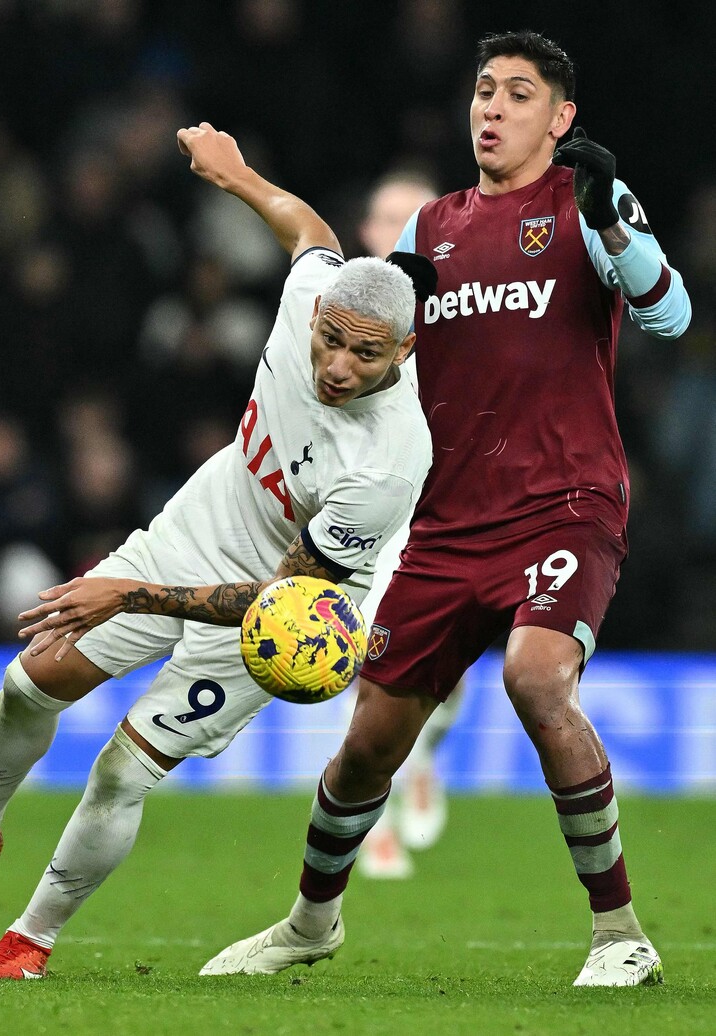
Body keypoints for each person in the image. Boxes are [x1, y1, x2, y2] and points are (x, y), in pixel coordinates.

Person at [0, 122, 436, 980]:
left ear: (404, 352)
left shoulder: (386, 461)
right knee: (30, 682)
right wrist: (235, 175)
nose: (336, 365)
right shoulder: (316, 291)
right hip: (191, 534)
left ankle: (30, 939)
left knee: (123, 768)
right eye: (330, 339)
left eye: (365, 353)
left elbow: (283, 596)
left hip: (277, 617)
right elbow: (308, 230)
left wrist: (123, 594)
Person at [199, 31, 691, 987]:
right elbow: (378, 347)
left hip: (564, 503)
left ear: (562, 118)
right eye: (482, 92)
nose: (492, 109)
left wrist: (616, 231)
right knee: (365, 752)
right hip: (449, 520)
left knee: (537, 680)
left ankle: (620, 934)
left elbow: (670, 316)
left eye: (516, 94)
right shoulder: (432, 229)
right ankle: (309, 924)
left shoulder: (589, 203)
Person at [355, 167, 465, 880]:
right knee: (376, 657)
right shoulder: (340, 308)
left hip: (451, 498)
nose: (396, 227)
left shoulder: (463, 307)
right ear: (367, 232)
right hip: (374, 500)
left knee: (450, 667)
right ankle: (372, 818)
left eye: (410, 216)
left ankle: (422, 756)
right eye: (384, 215)